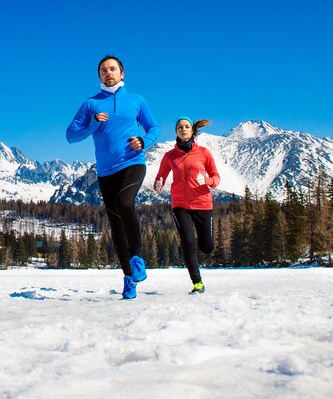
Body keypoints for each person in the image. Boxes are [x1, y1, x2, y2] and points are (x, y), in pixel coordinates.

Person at [67, 55, 160, 299]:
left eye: (112, 69)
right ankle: (129, 278)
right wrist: (93, 126)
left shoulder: (136, 101)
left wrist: (144, 141)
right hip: (106, 172)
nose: (108, 73)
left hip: (132, 162)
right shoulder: (91, 104)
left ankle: (137, 257)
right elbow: (71, 135)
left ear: (122, 73)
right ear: (99, 76)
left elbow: (154, 128)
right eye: (103, 70)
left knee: (125, 203)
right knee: (116, 226)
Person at [153, 117, 220, 294]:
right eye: (179, 127)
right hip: (180, 205)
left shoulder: (204, 153)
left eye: (186, 127)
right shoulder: (169, 156)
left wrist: (206, 180)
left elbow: (216, 178)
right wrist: (158, 183)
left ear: (192, 131)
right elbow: (160, 176)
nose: (183, 129)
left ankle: (202, 248)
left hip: (203, 204)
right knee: (188, 243)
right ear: (176, 131)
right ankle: (197, 283)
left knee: (207, 247)